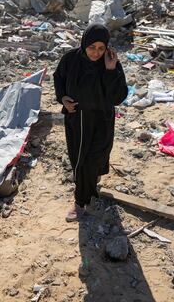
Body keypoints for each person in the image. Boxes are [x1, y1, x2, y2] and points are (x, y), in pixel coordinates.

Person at [53, 23, 128, 222]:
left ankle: (91, 180)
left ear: (107, 48)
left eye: (101, 48)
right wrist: (62, 98)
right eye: (92, 47)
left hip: (102, 119)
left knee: (98, 156)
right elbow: (58, 78)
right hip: (77, 119)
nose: (96, 53)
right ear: (84, 43)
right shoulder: (70, 59)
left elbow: (118, 97)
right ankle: (80, 201)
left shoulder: (110, 62)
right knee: (81, 161)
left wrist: (110, 71)